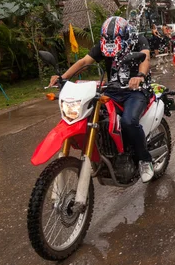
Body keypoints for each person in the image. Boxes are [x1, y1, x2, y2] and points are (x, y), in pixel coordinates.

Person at [49, 16, 155, 183]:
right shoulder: (104, 45)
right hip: (113, 90)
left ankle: (145, 160)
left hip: (136, 90)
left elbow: (145, 58)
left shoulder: (137, 40)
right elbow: (84, 61)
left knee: (128, 121)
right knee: (92, 116)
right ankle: (103, 154)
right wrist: (62, 78)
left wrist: (140, 76)